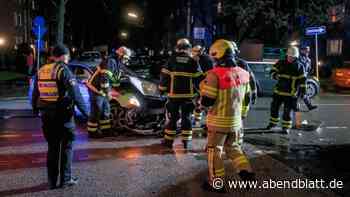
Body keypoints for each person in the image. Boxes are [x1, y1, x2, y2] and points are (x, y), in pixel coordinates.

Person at [200, 39, 255, 192]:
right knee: (234, 149)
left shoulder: (214, 75)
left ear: (218, 56)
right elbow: (247, 99)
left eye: (214, 58)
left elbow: (207, 101)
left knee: (214, 152)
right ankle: (247, 173)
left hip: (218, 123)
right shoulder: (244, 74)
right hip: (236, 122)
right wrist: (242, 116)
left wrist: (201, 97)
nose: (213, 60)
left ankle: (216, 184)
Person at [31, 44, 89, 189]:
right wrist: (87, 114)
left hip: (46, 116)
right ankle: (65, 180)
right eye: (68, 56)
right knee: (67, 147)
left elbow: (35, 93)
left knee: (52, 148)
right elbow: (76, 94)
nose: (68, 58)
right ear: (63, 56)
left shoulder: (42, 70)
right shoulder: (63, 70)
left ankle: (52, 181)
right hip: (63, 116)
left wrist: (35, 110)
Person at [159, 38, 203, 149]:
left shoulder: (171, 60)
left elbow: (164, 77)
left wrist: (162, 89)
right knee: (186, 118)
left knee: (173, 118)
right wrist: (200, 92)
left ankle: (168, 142)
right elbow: (199, 79)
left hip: (173, 95)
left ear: (177, 48)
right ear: (188, 48)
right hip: (188, 96)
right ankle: (186, 142)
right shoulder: (193, 61)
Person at [267, 46, 307, 133]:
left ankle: (286, 127)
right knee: (274, 108)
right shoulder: (280, 63)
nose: (290, 58)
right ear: (287, 55)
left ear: (296, 57)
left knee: (287, 111)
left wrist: (303, 92)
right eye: (289, 56)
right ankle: (273, 124)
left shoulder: (299, 67)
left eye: (292, 57)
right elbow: (272, 72)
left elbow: (303, 81)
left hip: (290, 94)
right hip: (278, 92)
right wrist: (275, 75)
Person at [86, 60, 114, 138]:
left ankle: (106, 131)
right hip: (96, 90)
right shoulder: (110, 64)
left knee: (105, 111)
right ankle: (92, 132)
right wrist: (108, 93)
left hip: (102, 91)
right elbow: (104, 80)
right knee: (96, 111)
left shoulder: (113, 63)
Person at [231, 41, 258, 116]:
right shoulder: (219, 65)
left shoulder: (241, 63)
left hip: (241, 93)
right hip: (231, 95)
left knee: (241, 114)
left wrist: (254, 92)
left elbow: (251, 78)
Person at [191, 45, 214, 128]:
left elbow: (207, 74)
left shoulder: (205, 59)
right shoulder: (196, 59)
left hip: (204, 86)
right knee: (197, 104)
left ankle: (209, 123)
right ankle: (196, 121)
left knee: (205, 105)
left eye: (195, 51)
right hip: (198, 85)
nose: (193, 53)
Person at [299, 46, 317, 111]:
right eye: (306, 51)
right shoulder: (298, 58)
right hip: (298, 78)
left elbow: (308, 69)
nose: (307, 52)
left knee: (303, 93)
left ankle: (309, 106)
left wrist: (310, 71)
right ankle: (294, 106)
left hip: (304, 78)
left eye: (308, 51)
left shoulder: (309, 60)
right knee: (296, 93)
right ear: (302, 51)